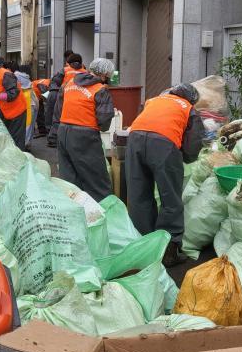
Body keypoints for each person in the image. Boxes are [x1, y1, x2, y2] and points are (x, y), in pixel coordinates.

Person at [125, 83, 205, 267]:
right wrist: (185, 158)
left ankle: (143, 246)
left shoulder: (154, 100)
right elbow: (193, 143)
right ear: (191, 99)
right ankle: (169, 250)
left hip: (135, 140)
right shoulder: (188, 108)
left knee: (139, 196)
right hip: (164, 143)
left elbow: (144, 120)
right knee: (170, 198)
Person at [54, 58, 115, 203]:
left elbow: (58, 109)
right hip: (85, 136)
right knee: (96, 180)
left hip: (63, 132)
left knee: (70, 178)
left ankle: (75, 209)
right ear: (104, 75)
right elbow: (104, 121)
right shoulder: (100, 90)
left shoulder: (69, 83)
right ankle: (103, 211)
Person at [47, 52, 86, 147]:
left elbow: (55, 82)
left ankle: (53, 139)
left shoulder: (65, 70)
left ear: (69, 62)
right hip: (79, 99)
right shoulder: (85, 72)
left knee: (58, 117)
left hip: (64, 96)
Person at [14, 64, 39, 149]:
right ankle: (27, 143)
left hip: (24, 101)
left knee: (25, 124)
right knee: (30, 124)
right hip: (32, 101)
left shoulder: (16, 76)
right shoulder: (27, 78)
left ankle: (23, 144)